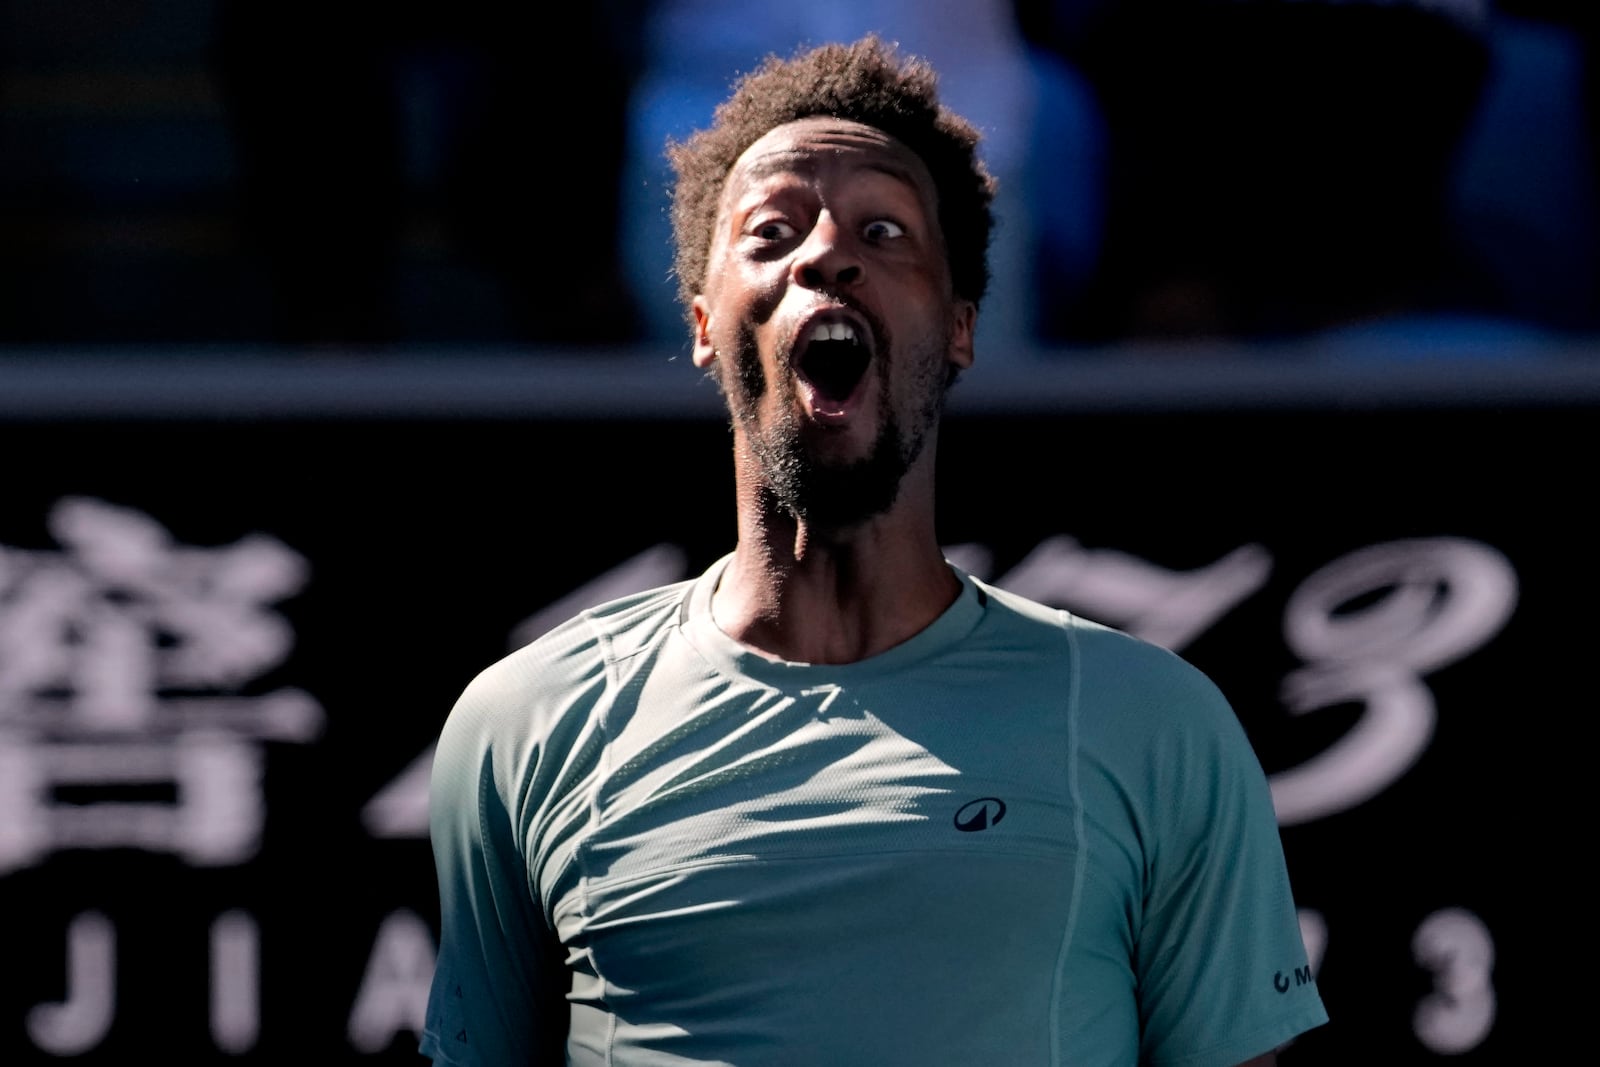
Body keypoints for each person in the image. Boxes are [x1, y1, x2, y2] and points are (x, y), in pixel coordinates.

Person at [420, 34, 1328, 1066]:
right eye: (772, 230)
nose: (824, 253)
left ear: (957, 326)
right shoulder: (524, 721)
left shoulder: (1152, 723)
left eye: (884, 229)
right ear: (705, 322)